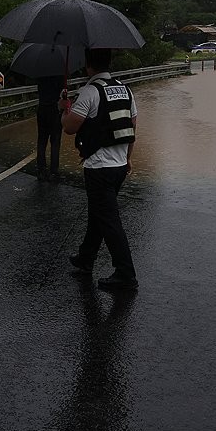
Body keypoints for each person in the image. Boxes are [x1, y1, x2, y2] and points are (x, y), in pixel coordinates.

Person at [61, 47, 138, 290]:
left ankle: (126, 274)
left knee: (108, 220)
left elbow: (70, 128)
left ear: (88, 66)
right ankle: (86, 258)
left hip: (99, 167)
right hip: (119, 166)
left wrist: (65, 108)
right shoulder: (125, 90)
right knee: (98, 214)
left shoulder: (89, 92)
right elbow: (131, 127)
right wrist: (128, 158)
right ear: (109, 62)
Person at [35, 72, 66, 182]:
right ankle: (54, 172)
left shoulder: (41, 74)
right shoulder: (59, 74)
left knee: (42, 140)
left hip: (42, 108)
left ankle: (41, 170)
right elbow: (62, 94)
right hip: (54, 110)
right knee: (55, 141)